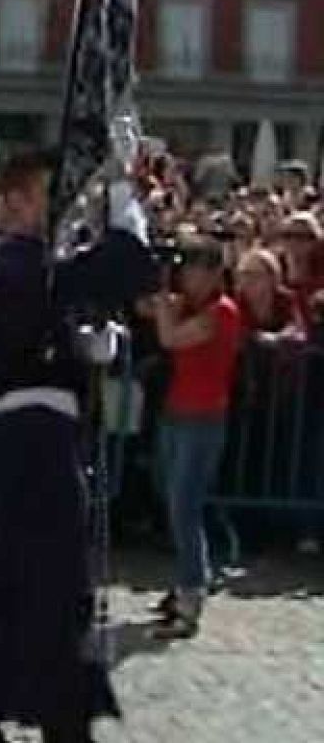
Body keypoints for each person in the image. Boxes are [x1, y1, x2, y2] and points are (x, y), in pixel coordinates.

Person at [0, 150, 158, 743]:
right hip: (21, 450)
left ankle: (10, 710)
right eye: (47, 196)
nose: (62, 209)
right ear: (19, 202)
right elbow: (128, 264)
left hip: (34, 446)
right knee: (30, 586)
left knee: (23, 587)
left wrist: (85, 342)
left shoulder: (36, 266)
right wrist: (126, 199)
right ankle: (3, 712)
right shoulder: (20, 261)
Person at [149, 237, 243, 639]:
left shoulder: (223, 313)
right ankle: (185, 582)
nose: (187, 277)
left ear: (213, 274)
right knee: (172, 502)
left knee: (185, 508)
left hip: (203, 419)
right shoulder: (190, 307)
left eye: (195, 270)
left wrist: (161, 308)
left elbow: (171, 338)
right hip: (176, 413)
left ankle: (191, 595)